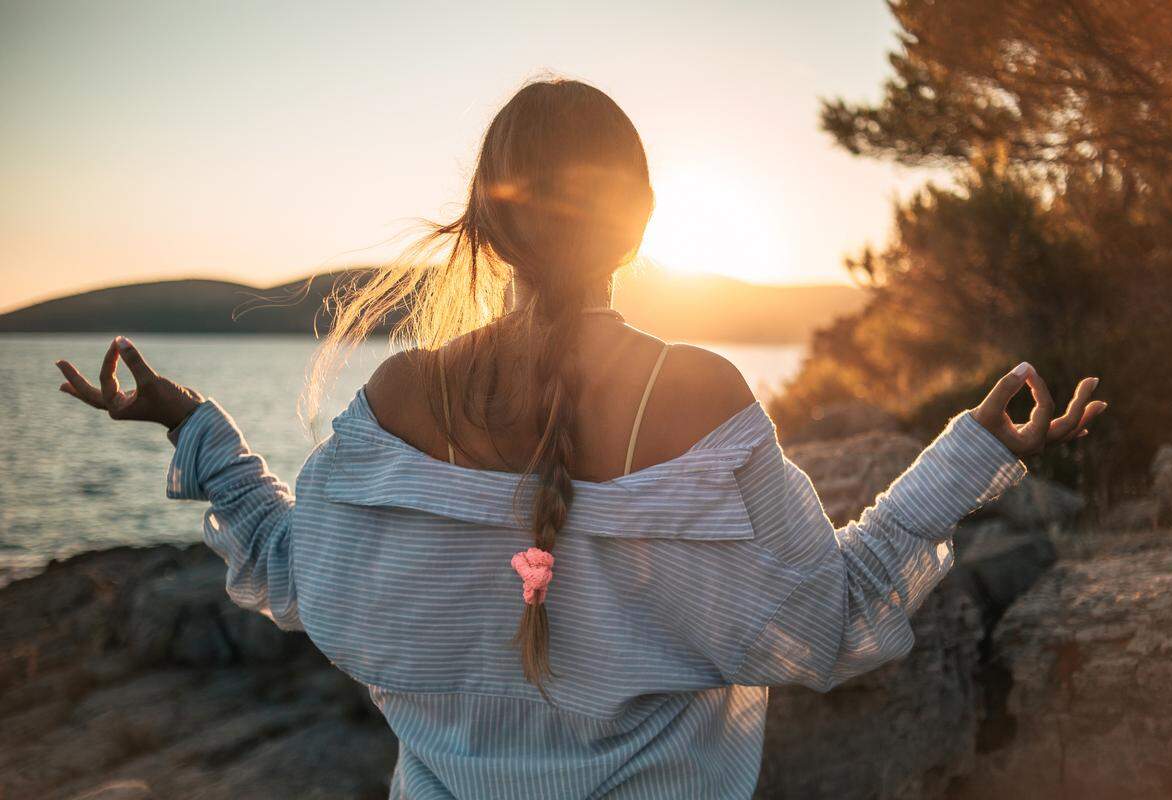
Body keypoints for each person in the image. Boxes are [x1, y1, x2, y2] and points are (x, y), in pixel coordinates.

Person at [54, 78, 1106, 800]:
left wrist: (191, 423)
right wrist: (974, 450)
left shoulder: (402, 395)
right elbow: (823, 621)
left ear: (488, 221)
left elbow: (297, 572)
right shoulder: (697, 393)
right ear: (641, 218)